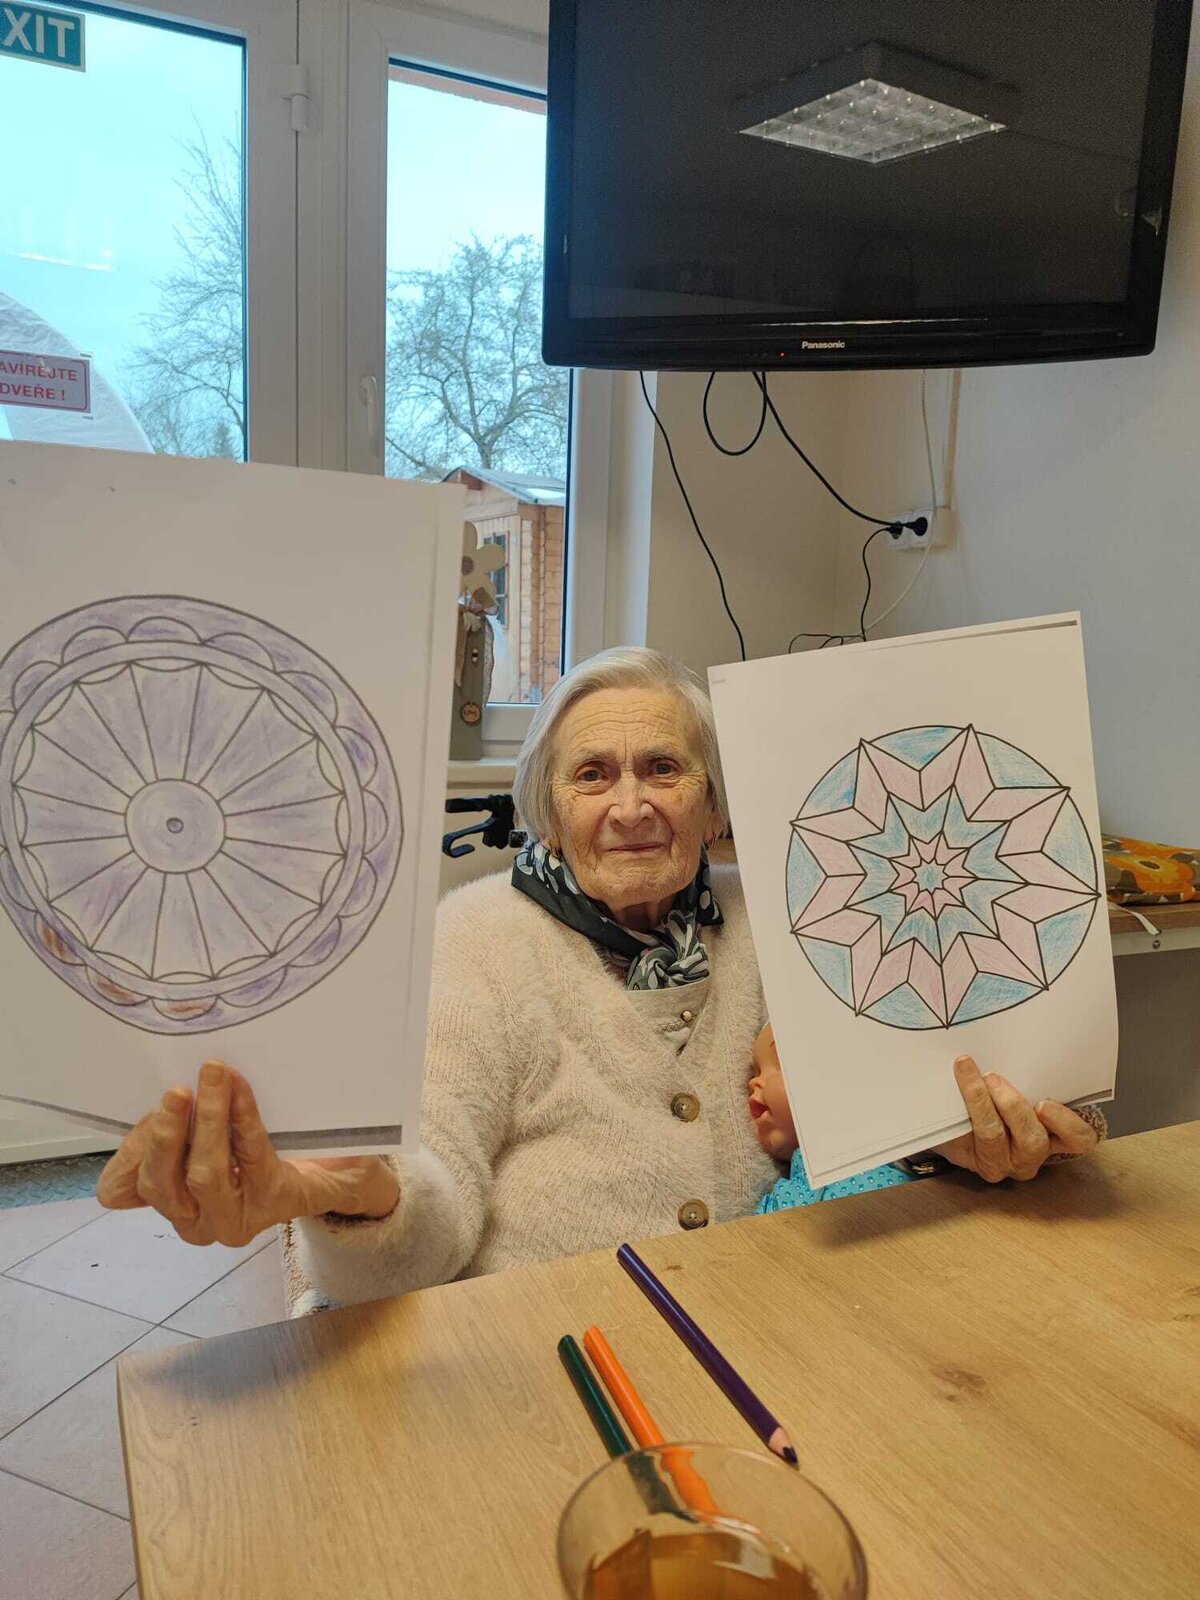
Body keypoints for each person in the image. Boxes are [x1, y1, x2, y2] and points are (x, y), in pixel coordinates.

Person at [97, 647, 1103, 1311]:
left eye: (663, 768)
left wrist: (962, 1130)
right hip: (549, 1353)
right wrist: (365, 1199)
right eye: (592, 776)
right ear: (546, 811)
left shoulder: (794, 917)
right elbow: (428, 1204)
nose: (630, 806)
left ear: (715, 804)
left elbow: (896, 1081)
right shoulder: (478, 940)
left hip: (782, 1324)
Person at [747, 1022, 1107, 1213]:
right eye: (756, 1070)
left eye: (780, 1064)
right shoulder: (803, 1173)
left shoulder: (921, 1138)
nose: (753, 1083)